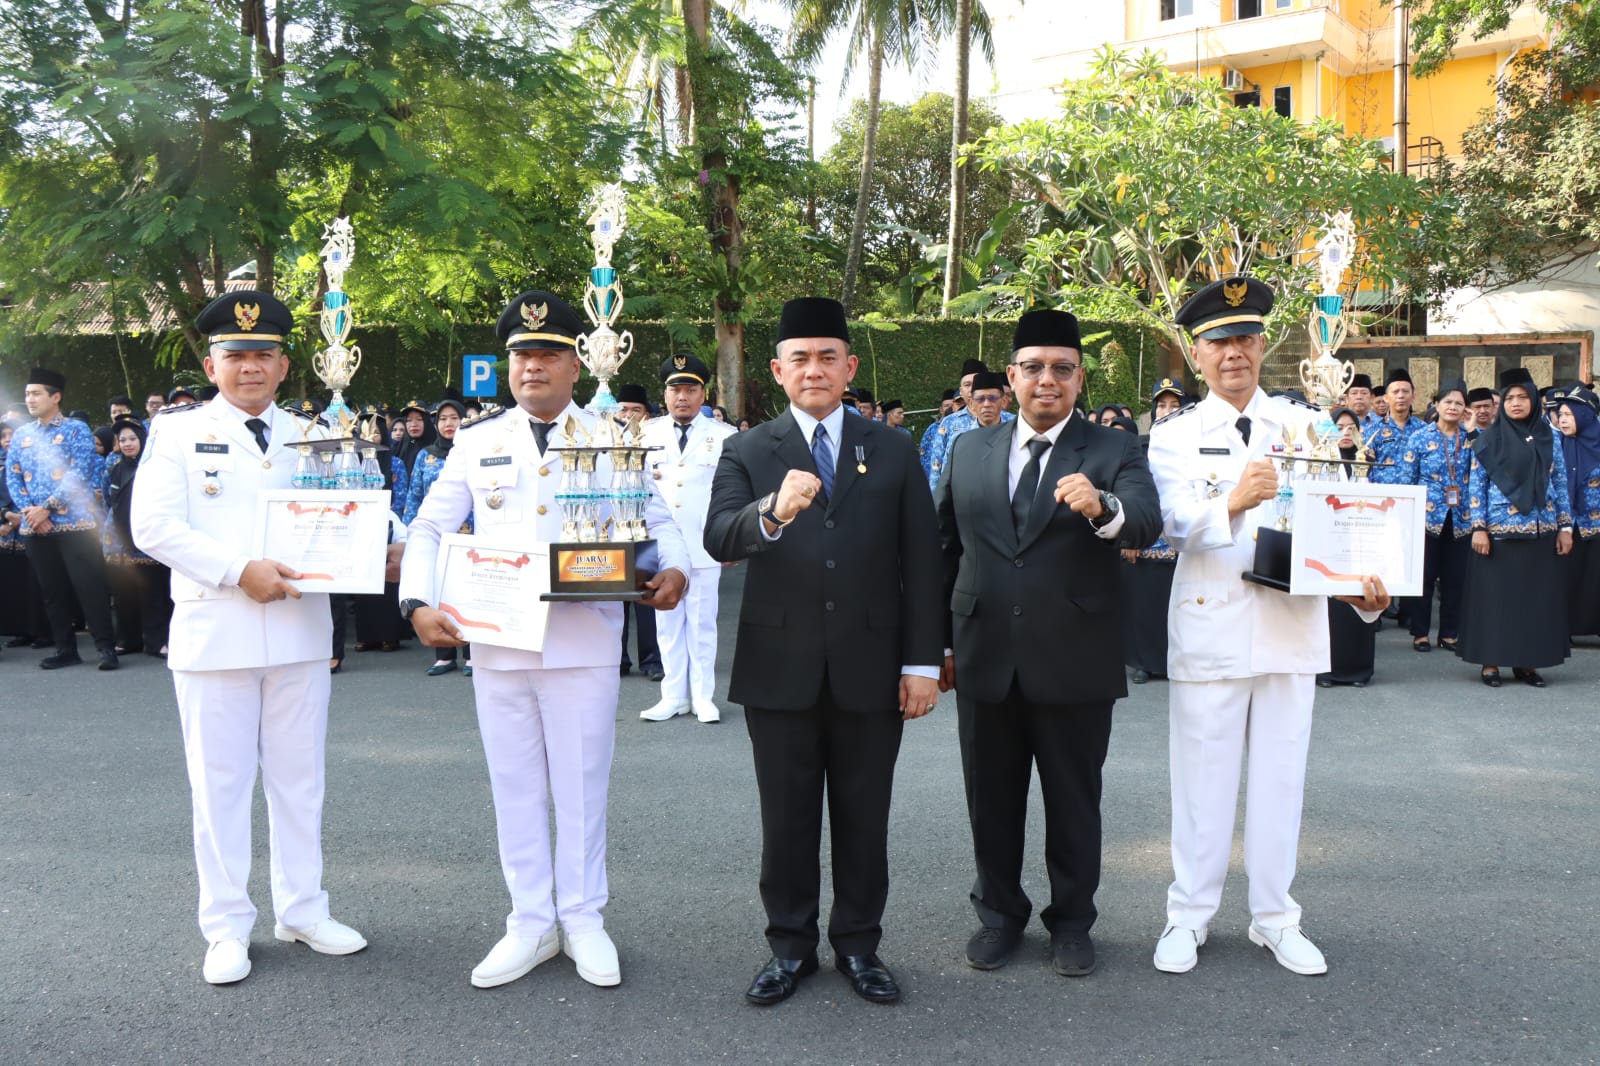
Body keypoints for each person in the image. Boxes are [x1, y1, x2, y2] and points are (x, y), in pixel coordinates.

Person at [397, 290, 689, 991]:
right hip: (497, 644)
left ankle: (583, 918)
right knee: (516, 786)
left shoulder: (614, 434)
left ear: (574, 362)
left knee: (583, 787)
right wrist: (416, 599)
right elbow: (431, 528)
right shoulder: (475, 441)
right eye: (523, 355)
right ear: (509, 366)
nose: (534, 366)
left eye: (550, 353)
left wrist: (674, 567)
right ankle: (529, 921)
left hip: (584, 639)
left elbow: (659, 519)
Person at [1146, 277, 1388, 977]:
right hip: (1211, 624)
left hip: (1290, 628)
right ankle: (1187, 916)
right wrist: (1234, 500)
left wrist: (1365, 593)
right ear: (1197, 355)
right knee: (1202, 781)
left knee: (1282, 781)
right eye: (1219, 342)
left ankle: (1275, 918)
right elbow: (1169, 523)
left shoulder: (1305, 425)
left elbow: (1340, 522)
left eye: (1245, 339)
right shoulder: (1175, 435)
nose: (1234, 353)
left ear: (1262, 347)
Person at [705, 296, 942, 1007]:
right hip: (780, 669)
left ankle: (861, 946)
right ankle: (789, 947)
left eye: (827, 357)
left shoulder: (893, 447)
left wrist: (922, 663)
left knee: (865, 819)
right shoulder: (746, 450)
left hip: (873, 669)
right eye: (800, 358)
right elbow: (719, 537)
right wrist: (772, 513)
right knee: (787, 820)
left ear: (850, 367)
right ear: (778, 371)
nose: (814, 369)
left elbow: (922, 561)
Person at [131, 290, 370, 985]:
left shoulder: (314, 433)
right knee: (221, 787)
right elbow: (152, 527)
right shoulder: (175, 434)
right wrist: (239, 571)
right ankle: (227, 926)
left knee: (301, 784)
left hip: (298, 632)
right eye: (236, 356)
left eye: (262, 354)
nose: (249, 367)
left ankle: (303, 909)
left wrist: (387, 546)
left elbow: (344, 516)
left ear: (286, 363)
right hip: (217, 633)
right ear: (212, 365)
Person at [935, 308, 1160, 979]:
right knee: (991, 800)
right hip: (984, 655)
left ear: (1079, 377)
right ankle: (999, 916)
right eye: (1032, 367)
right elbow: (942, 546)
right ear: (1010, 377)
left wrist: (1103, 509)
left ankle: (1072, 921)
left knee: (1072, 801)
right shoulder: (968, 448)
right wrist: (936, 646)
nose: (1047, 380)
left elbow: (1146, 523)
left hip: (1075, 656)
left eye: (1062, 369)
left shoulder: (1113, 450)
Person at [1456, 368, 1574, 686]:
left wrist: (1565, 526)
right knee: (1496, 603)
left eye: (1523, 397)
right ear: (1501, 404)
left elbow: (1561, 482)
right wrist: (1478, 528)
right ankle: (1491, 662)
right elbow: (1475, 486)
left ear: (1534, 401)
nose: (1516, 403)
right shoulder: (1488, 440)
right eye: (1509, 398)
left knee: (1533, 602)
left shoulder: (1550, 437)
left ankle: (1527, 663)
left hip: (1542, 532)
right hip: (1498, 533)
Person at [640, 354, 737, 724]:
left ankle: (703, 696)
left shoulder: (725, 436)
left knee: (702, 622)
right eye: (675, 389)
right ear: (664, 394)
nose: (682, 397)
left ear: (703, 393)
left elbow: (732, 495)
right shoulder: (643, 435)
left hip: (703, 541)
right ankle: (673, 694)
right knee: (666, 623)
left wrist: (731, 539)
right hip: (660, 547)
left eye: (690, 389)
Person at [5, 367, 119, 670]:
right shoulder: (22, 434)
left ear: (56, 397)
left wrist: (49, 507)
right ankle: (65, 649)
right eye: (27, 394)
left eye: (36, 393)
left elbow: (80, 473)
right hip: (36, 527)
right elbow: (14, 478)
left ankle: (106, 648)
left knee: (89, 587)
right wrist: (31, 511)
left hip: (75, 524)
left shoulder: (76, 429)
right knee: (51, 590)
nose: (30, 399)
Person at [1400, 382, 1474, 653]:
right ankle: (1420, 632)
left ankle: (1450, 632)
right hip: (1426, 517)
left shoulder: (1470, 438)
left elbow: (1480, 474)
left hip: (1461, 517)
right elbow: (1406, 479)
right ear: (1436, 405)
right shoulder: (1420, 437)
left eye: (1458, 403)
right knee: (1425, 576)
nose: (1453, 407)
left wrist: (1474, 427)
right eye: (1448, 402)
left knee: (1455, 579)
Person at [1124, 378, 1188, 684]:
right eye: (1161, 405)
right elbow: (1131, 493)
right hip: (1147, 540)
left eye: (1174, 406)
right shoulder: (1139, 447)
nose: (1167, 411)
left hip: (1184, 541)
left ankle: (1174, 662)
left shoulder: (1195, 445)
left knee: (1174, 605)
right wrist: (1131, 535)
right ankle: (1143, 662)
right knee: (1145, 604)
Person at [402, 398, 471, 676]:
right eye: (443, 419)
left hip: (469, 537)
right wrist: (408, 532)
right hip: (435, 536)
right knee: (438, 591)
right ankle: (444, 655)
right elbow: (415, 493)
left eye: (454, 418)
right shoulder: (426, 455)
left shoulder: (474, 449)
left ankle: (470, 652)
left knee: (468, 592)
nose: (448, 423)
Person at [1316, 408, 1381, 688]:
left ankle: (1358, 670)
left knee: (1359, 599)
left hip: (1363, 540)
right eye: (1339, 426)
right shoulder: (1318, 460)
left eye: (1351, 427)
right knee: (1331, 606)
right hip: (1330, 540)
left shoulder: (1367, 459)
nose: (1345, 432)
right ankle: (1327, 670)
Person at [102, 419, 172, 657]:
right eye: (122, 440)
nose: (128, 444)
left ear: (142, 440)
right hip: (120, 541)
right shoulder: (115, 469)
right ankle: (128, 640)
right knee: (124, 594)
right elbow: (107, 499)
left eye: (132, 439)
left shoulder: (154, 467)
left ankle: (157, 642)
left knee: (153, 593)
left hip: (149, 540)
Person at [614, 383, 663, 681]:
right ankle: (618, 659)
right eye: (623, 408)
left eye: (636, 410)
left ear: (646, 415)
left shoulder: (655, 440)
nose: (628, 415)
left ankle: (651, 660)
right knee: (614, 598)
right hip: (612, 531)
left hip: (645, 528)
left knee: (646, 598)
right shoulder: (601, 437)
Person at [1556, 388, 1600, 638]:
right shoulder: (1556, 444)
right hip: (1566, 525)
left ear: (1584, 415)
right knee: (1568, 578)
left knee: (1595, 579)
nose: (1563, 420)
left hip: (1596, 523)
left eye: (1569, 415)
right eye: (1560, 414)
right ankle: (1566, 628)